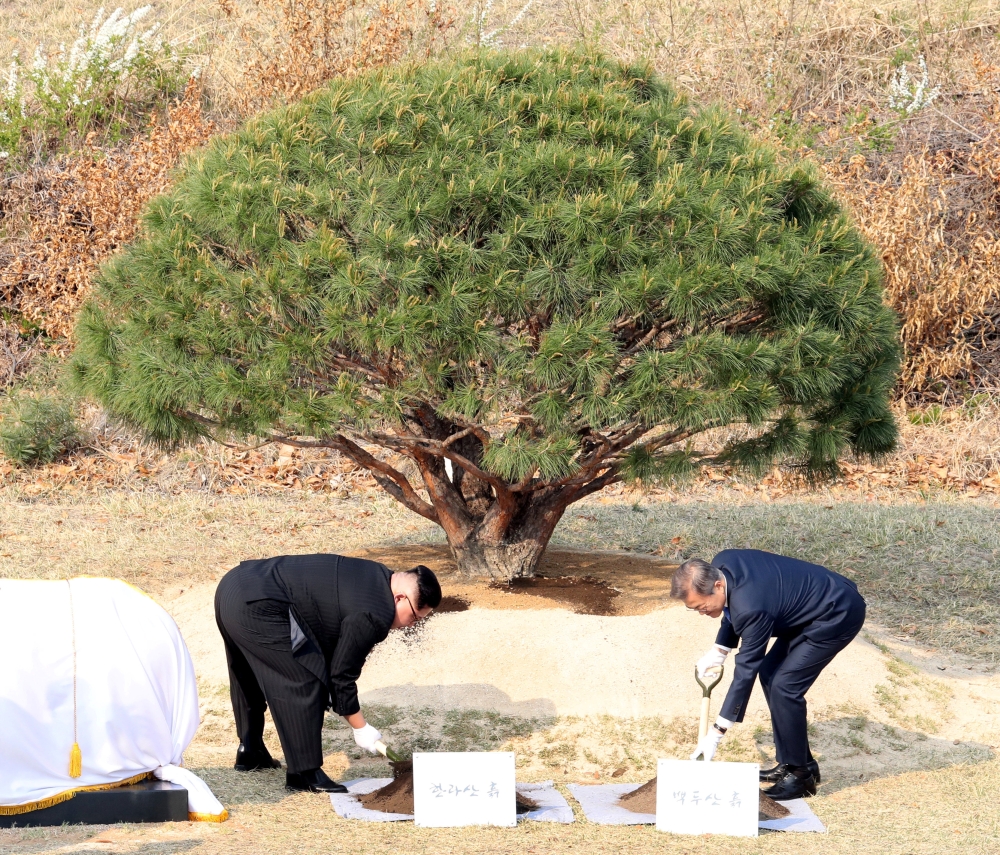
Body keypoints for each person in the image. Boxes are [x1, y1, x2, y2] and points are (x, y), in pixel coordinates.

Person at [214, 553, 441, 793]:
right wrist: (360, 727)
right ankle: (304, 773)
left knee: (246, 671)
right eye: (415, 617)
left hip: (234, 585)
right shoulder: (375, 613)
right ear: (400, 597)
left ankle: (251, 750)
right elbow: (341, 675)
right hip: (258, 605)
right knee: (304, 679)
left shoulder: (378, 575)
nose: (411, 625)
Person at [671, 549, 866, 800]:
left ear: (717, 585)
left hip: (837, 612)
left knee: (785, 686)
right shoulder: (723, 564)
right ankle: (798, 762)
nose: (701, 612)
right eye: (694, 608)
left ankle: (800, 778)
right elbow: (732, 608)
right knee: (770, 673)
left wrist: (717, 733)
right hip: (805, 609)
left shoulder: (752, 607)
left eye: (701, 605)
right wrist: (720, 649)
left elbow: (745, 671)